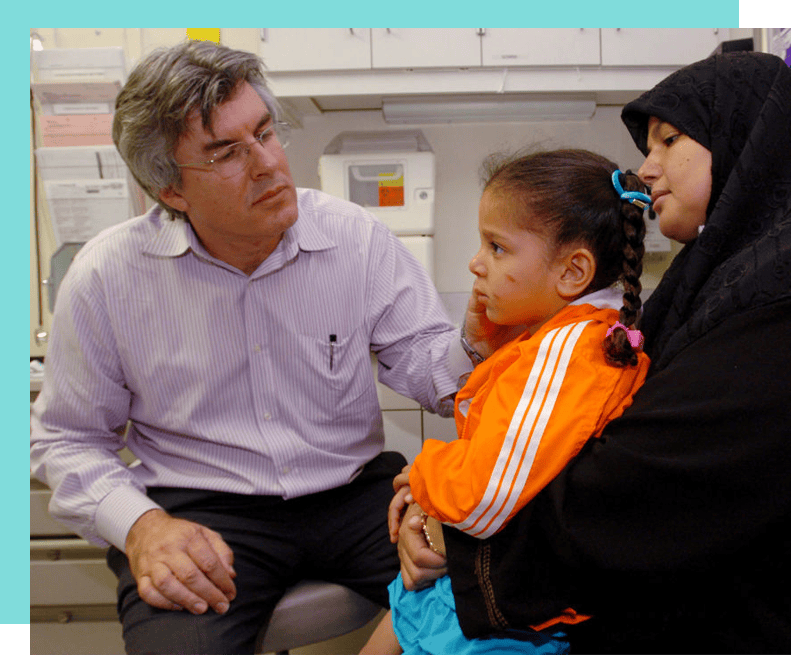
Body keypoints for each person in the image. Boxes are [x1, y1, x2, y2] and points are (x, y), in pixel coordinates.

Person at [29, 40, 474, 654]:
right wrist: (141, 528)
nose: (266, 163)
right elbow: (68, 440)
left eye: (265, 133)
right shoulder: (107, 277)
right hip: (201, 509)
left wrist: (481, 333)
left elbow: (430, 370)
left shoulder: (356, 240)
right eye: (226, 153)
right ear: (171, 191)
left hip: (354, 495)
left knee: (502, 600)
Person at [396, 51, 791, 654]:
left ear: (748, 133)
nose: (647, 167)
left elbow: (635, 486)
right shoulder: (716, 278)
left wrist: (441, 517)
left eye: (669, 140)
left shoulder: (774, 301)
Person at [360, 149, 652, 655]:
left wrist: (422, 476)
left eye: (496, 247)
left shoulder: (571, 352)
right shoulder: (561, 336)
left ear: (572, 271)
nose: (476, 263)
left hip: (507, 612)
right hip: (477, 578)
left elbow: (483, 500)